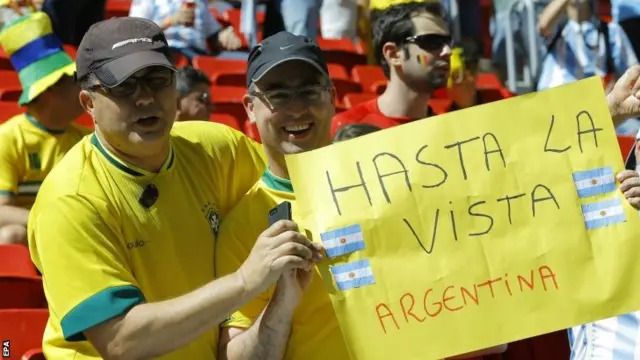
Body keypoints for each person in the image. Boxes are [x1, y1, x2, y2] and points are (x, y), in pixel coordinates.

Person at [27, 17, 322, 359]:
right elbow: (122, 340)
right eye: (124, 86)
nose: (145, 98)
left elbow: (296, 189)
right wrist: (245, 282)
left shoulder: (217, 147)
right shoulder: (70, 199)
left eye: (157, 80)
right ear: (89, 103)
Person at [215, 31, 507, 360]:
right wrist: (282, 303)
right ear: (250, 108)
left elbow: (486, 331)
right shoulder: (244, 225)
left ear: (332, 97)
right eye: (278, 96)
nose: (297, 108)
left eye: (309, 91)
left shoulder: (401, 183)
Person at [0, 11, 87, 245]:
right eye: (74, 81)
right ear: (50, 91)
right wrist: (52, 222)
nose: (84, 89)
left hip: (74, 237)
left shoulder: (87, 140)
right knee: (11, 235)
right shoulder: (9, 138)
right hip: (32, 238)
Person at [331, 1, 452, 137]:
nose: (447, 51)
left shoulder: (450, 133)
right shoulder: (345, 128)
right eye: (432, 41)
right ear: (393, 54)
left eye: (448, 42)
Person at [129, 0, 245, 61]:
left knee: (245, 60)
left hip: (199, 55)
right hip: (165, 52)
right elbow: (133, 34)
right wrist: (170, 21)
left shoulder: (199, 1)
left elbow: (214, 35)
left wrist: (225, 36)